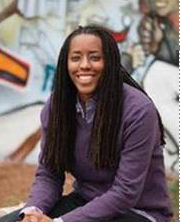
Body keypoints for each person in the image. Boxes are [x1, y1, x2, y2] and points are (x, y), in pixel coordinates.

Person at [0, 25, 173, 222]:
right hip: (85, 202)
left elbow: (125, 193)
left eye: (94, 57)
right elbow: (49, 175)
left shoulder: (138, 110)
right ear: (66, 64)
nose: (84, 65)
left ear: (110, 62)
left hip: (138, 212)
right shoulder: (57, 107)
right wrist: (33, 211)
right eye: (75, 58)